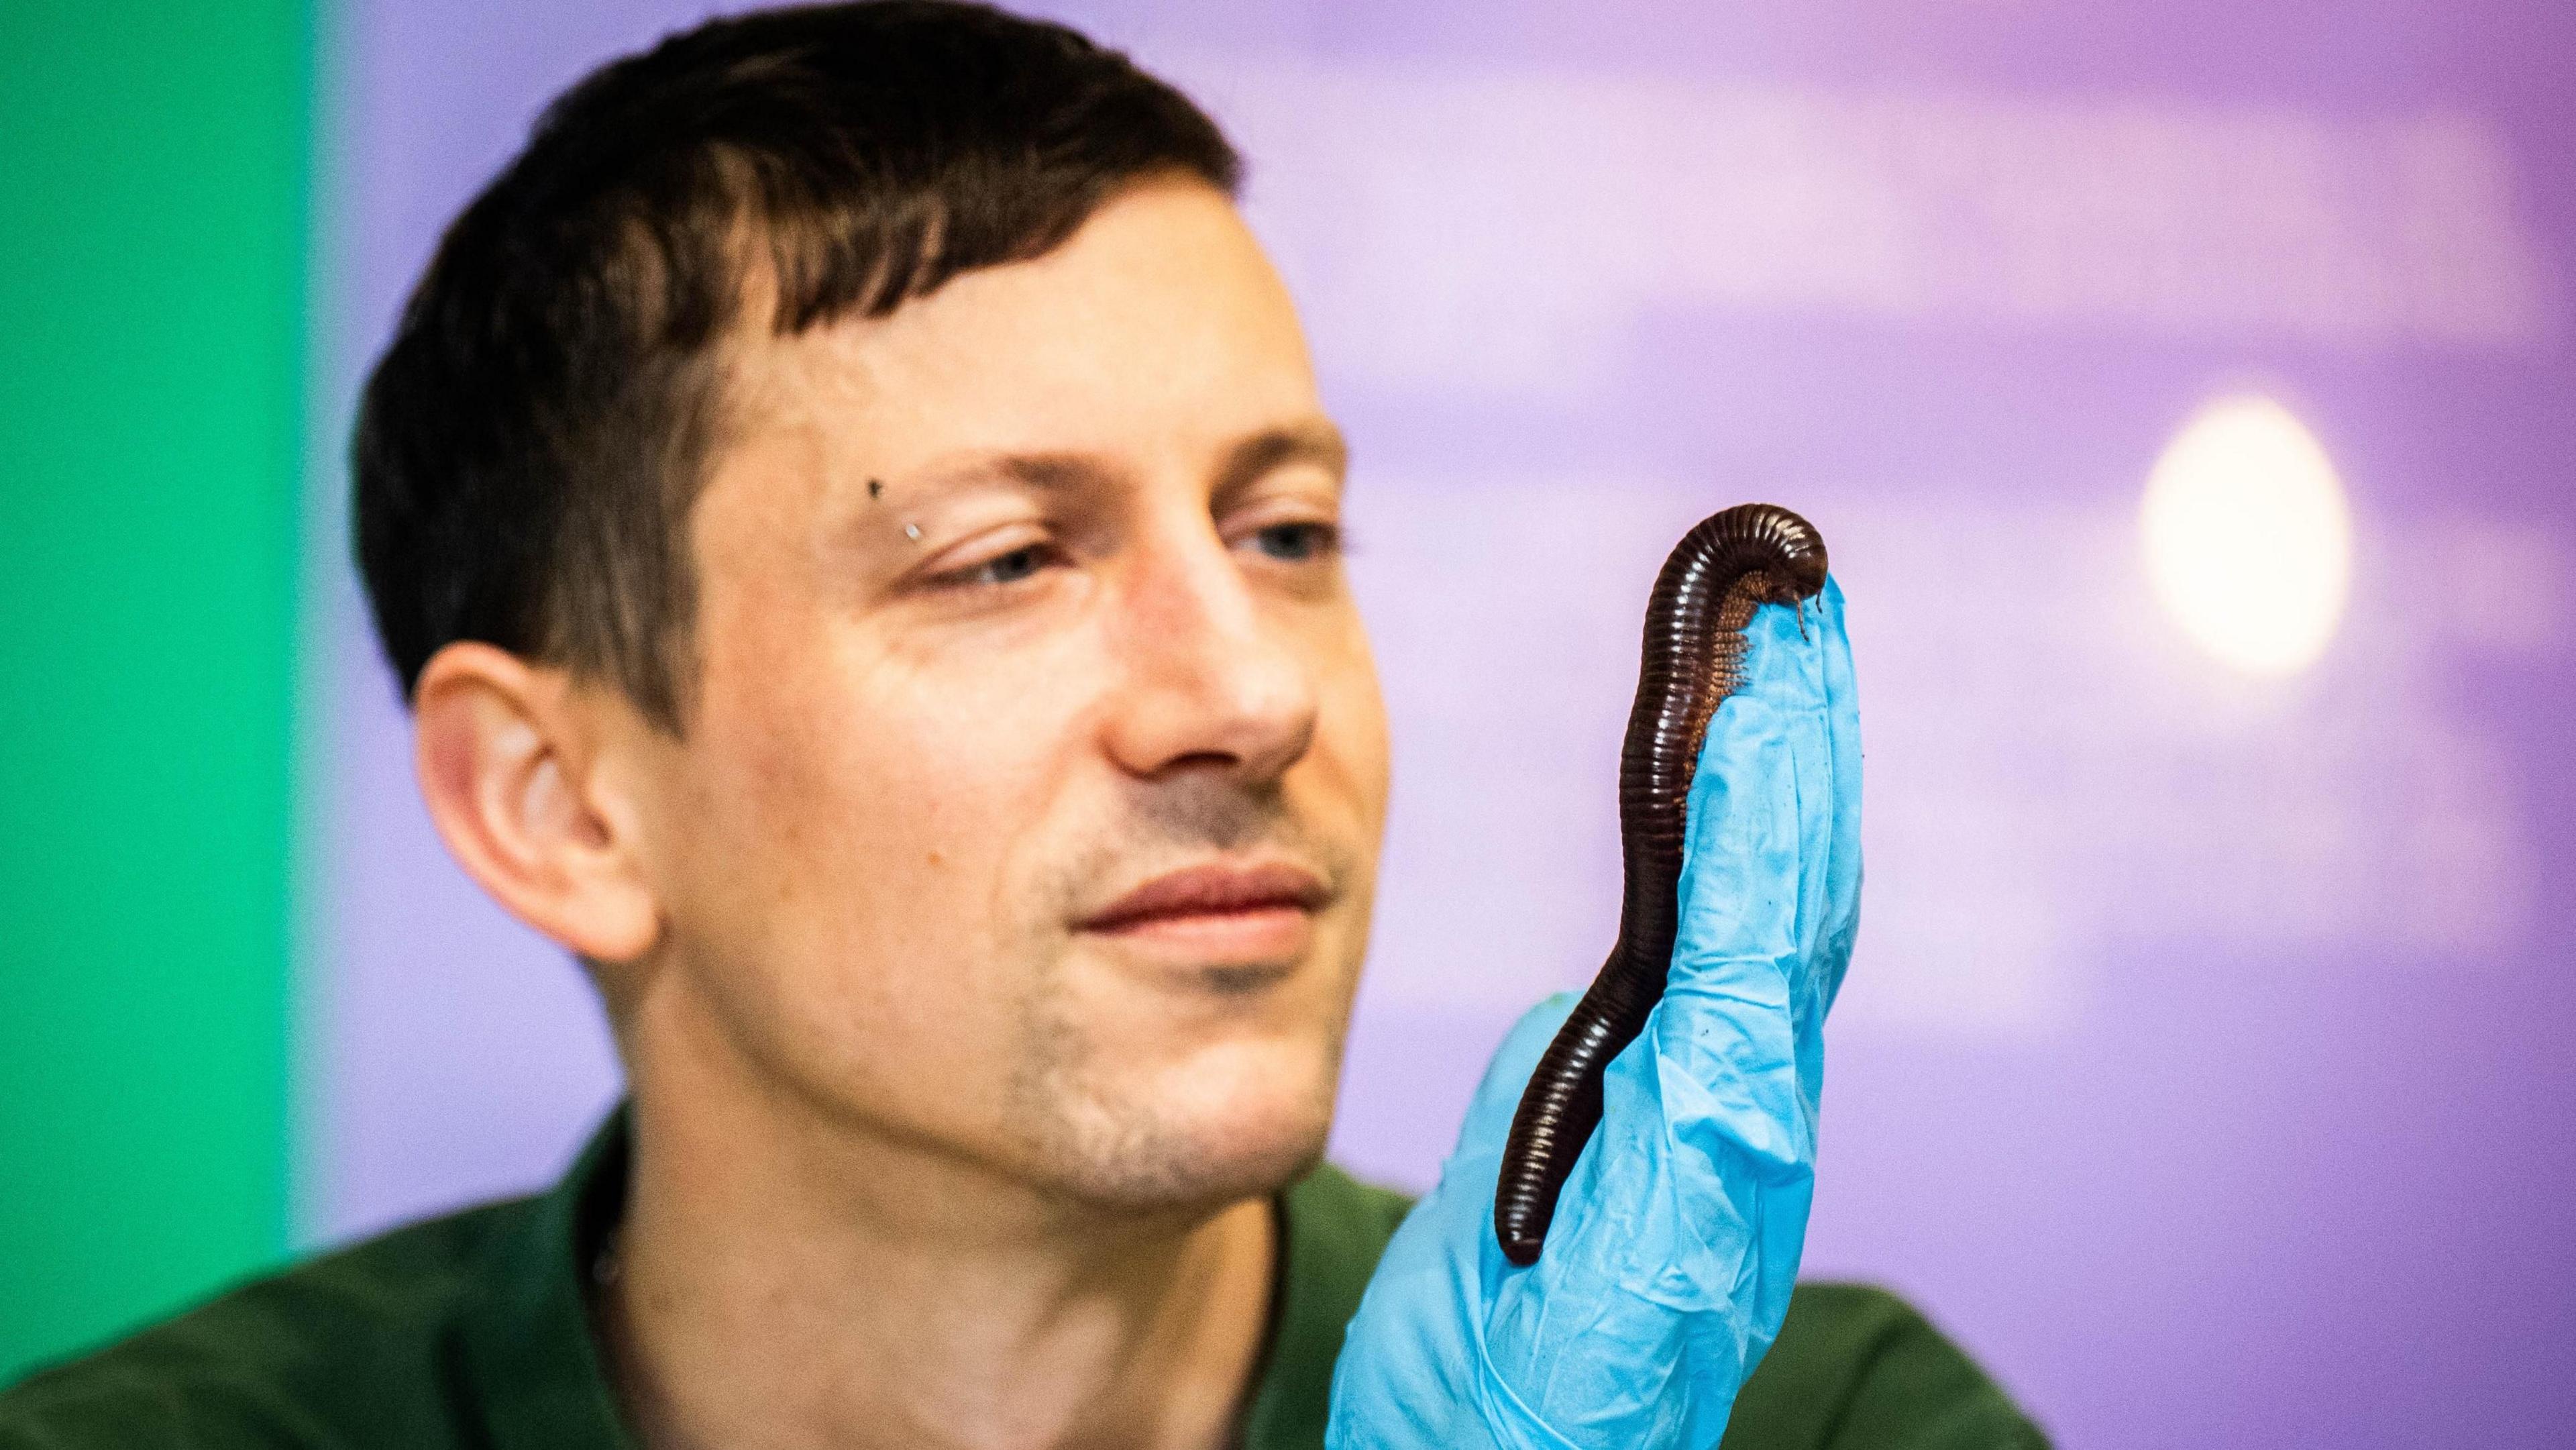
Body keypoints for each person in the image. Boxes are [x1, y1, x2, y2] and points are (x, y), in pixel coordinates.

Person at [0, 5, 2044, 1447]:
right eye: (1001, 560)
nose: (1252, 690)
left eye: (1290, 527)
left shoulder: (1825, 1430)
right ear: (561, 803)